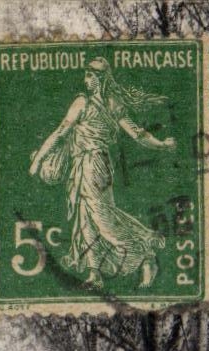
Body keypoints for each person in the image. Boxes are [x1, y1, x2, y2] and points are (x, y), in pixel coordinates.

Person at [29, 58, 176, 290]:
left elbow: (137, 134)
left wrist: (161, 145)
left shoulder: (104, 103)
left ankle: (146, 255)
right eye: (86, 75)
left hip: (96, 164)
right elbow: (61, 131)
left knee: (102, 218)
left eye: (90, 76)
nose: (86, 80)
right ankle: (94, 273)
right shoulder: (86, 102)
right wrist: (39, 159)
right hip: (80, 165)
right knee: (85, 218)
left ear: (100, 79)